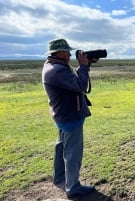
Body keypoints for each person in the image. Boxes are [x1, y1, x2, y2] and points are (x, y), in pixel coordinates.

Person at [42, 38, 95, 198]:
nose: (70, 54)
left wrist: (85, 66)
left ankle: (60, 180)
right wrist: (84, 66)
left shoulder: (51, 66)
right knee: (72, 153)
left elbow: (73, 83)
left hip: (63, 115)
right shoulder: (58, 70)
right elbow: (80, 85)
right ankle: (72, 187)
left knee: (62, 148)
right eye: (67, 51)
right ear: (60, 52)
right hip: (70, 116)